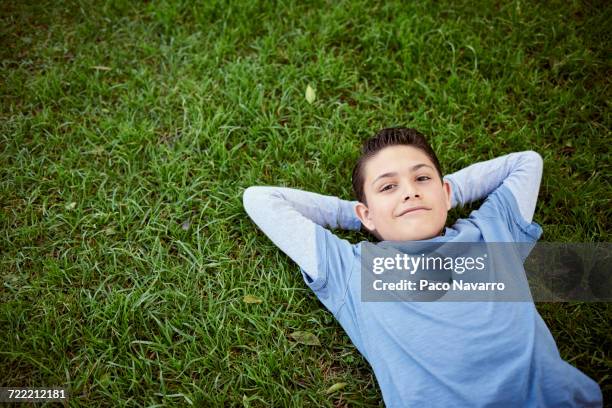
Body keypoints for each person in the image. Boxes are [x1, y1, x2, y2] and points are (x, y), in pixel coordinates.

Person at [242, 127, 603, 407]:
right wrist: (361, 217)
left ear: (445, 192)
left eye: (422, 179)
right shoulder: (353, 270)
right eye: (388, 187)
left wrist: (442, 195)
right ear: (365, 212)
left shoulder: (491, 234)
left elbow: (526, 162)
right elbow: (261, 199)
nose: (410, 192)